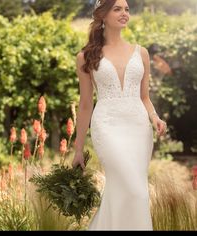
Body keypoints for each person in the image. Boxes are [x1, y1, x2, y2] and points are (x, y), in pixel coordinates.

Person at [72, 0, 167, 231]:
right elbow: (85, 105)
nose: (124, 13)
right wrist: (78, 149)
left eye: (126, 9)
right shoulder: (85, 56)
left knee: (128, 193)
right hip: (107, 127)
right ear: (102, 15)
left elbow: (144, 97)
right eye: (117, 9)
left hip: (138, 129)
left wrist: (155, 118)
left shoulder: (141, 53)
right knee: (137, 192)